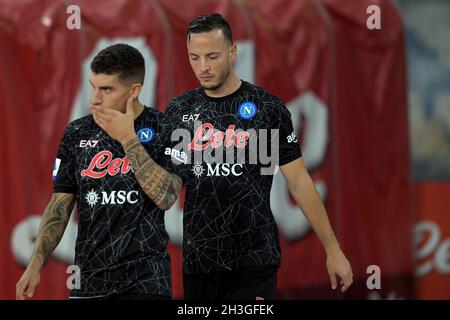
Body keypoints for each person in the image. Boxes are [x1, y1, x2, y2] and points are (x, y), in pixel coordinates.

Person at [164, 13, 353, 300]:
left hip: (254, 259)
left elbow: (299, 183)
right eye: (194, 57)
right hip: (199, 262)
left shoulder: (268, 108)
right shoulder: (179, 110)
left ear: (233, 52)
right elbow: (167, 187)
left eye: (212, 56)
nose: (203, 67)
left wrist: (333, 250)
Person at [16, 43, 183, 300]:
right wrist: (36, 263)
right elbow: (60, 204)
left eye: (107, 89)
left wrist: (128, 138)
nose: (94, 98)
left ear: (134, 91)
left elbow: (167, 197)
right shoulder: (76, 133)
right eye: (93, 86)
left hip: (146, 282)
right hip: (90, 281)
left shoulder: (165, 129)